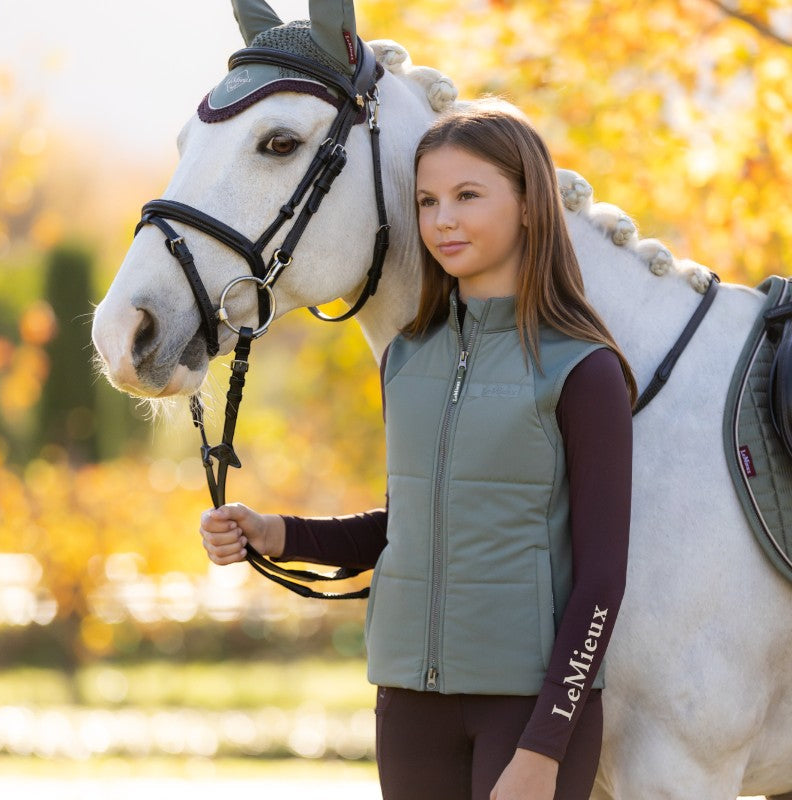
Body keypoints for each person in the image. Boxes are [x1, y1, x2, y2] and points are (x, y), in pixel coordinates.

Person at [200, 100, 635, 800]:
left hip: (525, 711)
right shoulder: (406, 358)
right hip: (408, 703)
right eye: (427, 201)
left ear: (529, 205)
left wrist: (544, 747)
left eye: (468, 196)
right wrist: (275, 533)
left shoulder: (583, 371)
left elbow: (601, 582)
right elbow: (407, 529)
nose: (443, 221)